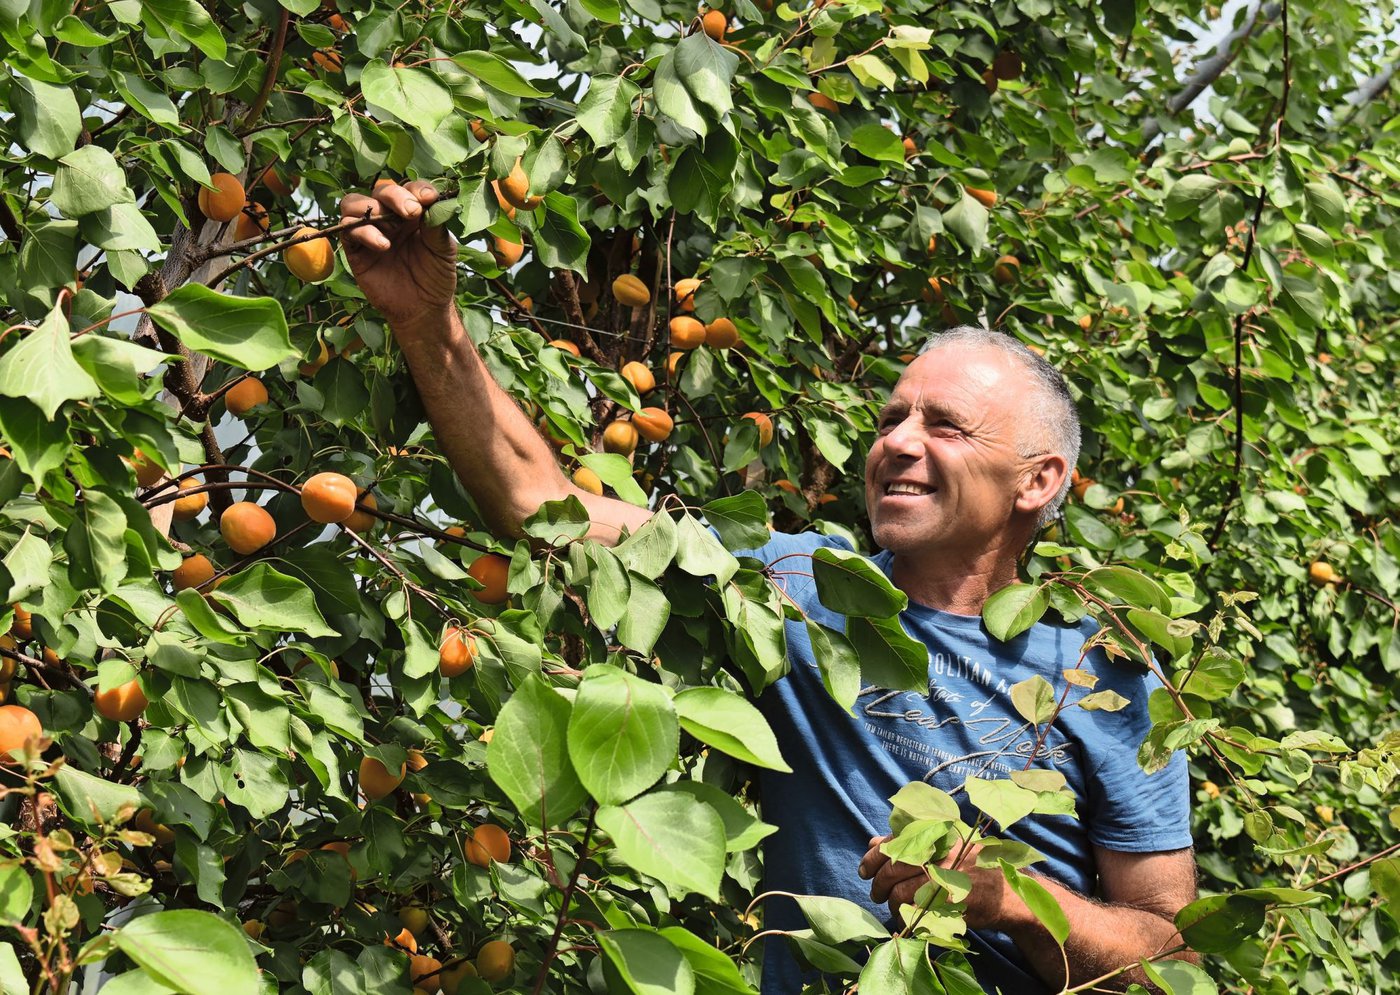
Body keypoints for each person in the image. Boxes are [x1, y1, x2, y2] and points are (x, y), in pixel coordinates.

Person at [339, 181, 1197, 993]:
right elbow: (537, 505)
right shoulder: (799, 586)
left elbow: (1169, 956)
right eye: (893, 416)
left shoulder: (1107, 675)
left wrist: (1011, 901)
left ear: (1038, 481)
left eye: (945, 425)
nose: (897, 441)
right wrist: (430, 320)